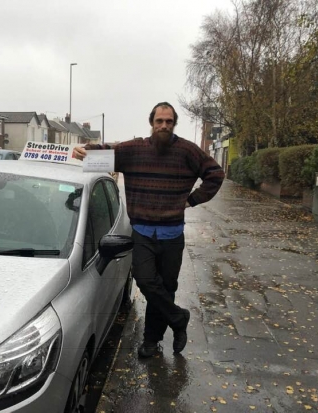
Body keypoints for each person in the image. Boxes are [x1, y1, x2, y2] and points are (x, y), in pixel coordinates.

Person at [73, 102, 225, 357]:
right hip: (142, 233)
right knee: (145, 281)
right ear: (151, 123)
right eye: (159, 121)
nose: (163, 125)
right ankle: (179, 319)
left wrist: (191, 200)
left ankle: (151, 342)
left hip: (172, 235)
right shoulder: (135, 150)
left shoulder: (188, 151)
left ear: (174, 123)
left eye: (168, 121)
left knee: (166, 289)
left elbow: (215, 175)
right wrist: (84, 151)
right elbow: (109, 151)